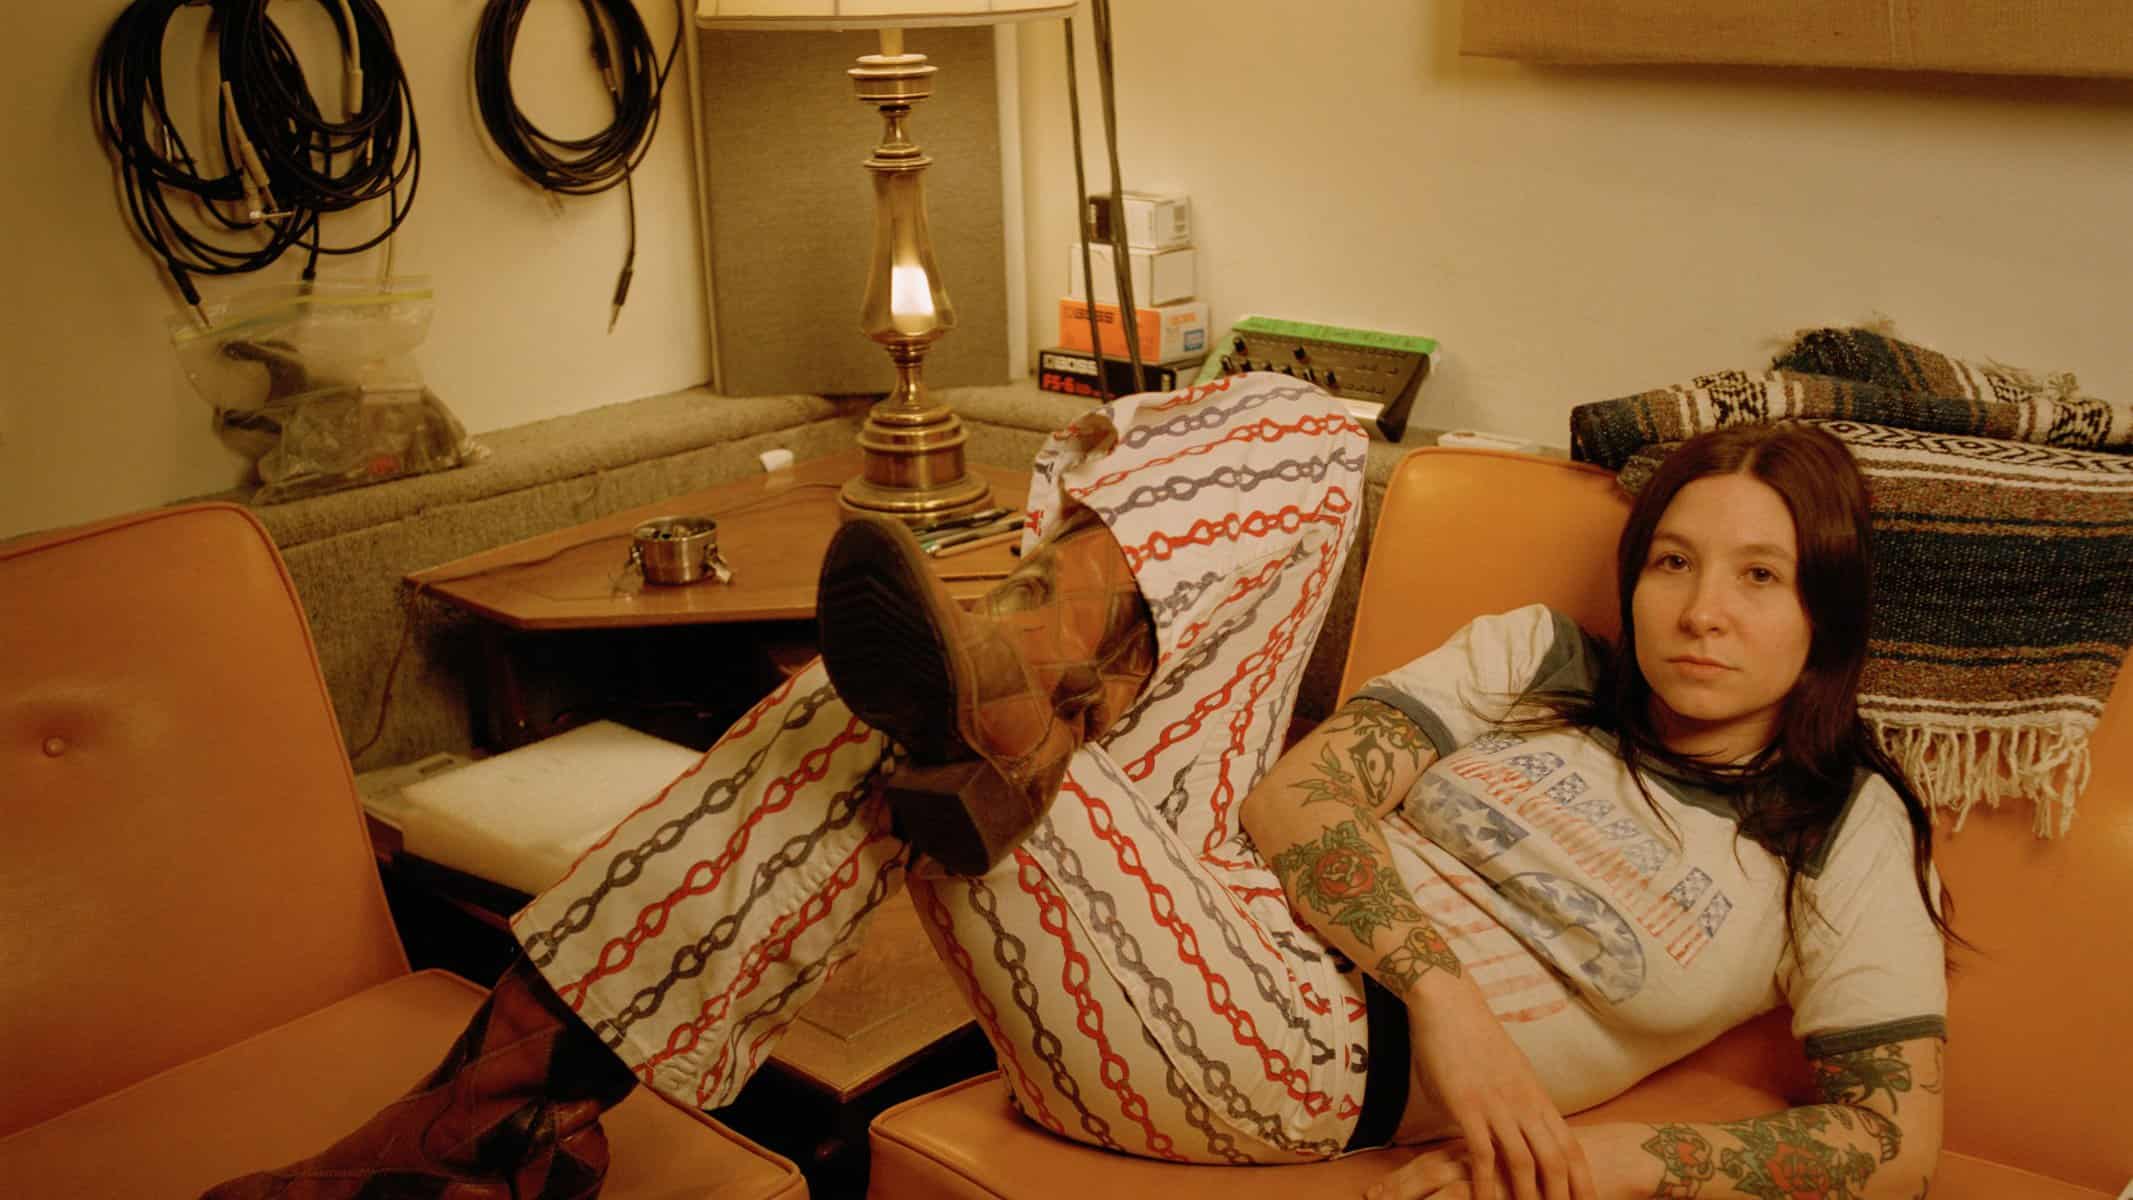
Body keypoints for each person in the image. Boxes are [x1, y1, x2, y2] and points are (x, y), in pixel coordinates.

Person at [203, 379, 1952, 1200]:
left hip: (1289, 1053)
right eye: (1671, 563)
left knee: (859, 721)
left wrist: (1583, 1150)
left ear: (1825, 618)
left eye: (1760, 577)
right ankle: (1022, 673)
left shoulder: (1839, 820)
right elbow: (1293, 804)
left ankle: (482, 1110)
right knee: (1298, 428)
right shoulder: (1535, 660)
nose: (1698, 611)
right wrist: (1460, 992)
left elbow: (1893, 1132)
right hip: (1220, 876)